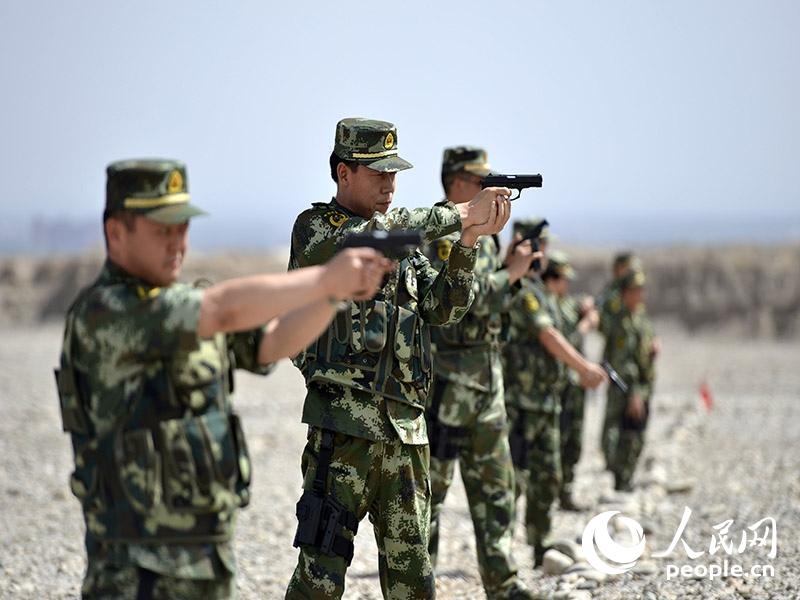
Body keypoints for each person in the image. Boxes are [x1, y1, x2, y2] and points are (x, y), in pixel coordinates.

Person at [55, 158, 393, 599]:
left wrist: (333, 295)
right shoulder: (106, 312)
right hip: (133, 572)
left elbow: (271, 343)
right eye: (162, 230)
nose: (177, 242)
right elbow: (222, 309)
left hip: (204, 560)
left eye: (182, 228)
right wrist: (326, 276)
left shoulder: (186, 307)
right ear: (116, 233)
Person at [286, 119, 511, 599]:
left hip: (405, 435)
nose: (389, 184)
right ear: (344, 173)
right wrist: (460, 212)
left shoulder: (404, 249)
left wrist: (468, 240)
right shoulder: (319, 231)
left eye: (394, 174)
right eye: (377, 173)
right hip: (342, 435)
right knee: (318, 579)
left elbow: (442, 308)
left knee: (413, 582)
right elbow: (373, 236)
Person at [423, 147, 538, 599]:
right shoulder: (441, 231)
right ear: (456, 184)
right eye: (480, 180)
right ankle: (420, 585)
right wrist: (508, 276)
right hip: (446, 386)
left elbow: (494, 314)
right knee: (428, 494)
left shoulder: (482, 235)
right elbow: (457, 304)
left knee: (497, 488)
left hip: (485, 384)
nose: (492, 189)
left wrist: (512, 271)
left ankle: (503, 583)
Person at [503, 219, 606, 566]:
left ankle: (539, 545)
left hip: (545, 402)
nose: (543, 253)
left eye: (544, 246)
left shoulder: (540, 292)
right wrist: (584, 369)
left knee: (548, 475)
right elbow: (548, 336)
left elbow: (561, 331)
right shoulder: (521, 290)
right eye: (539, 246)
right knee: (512, 481)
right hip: (519, 403)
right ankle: (499, 551)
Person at [541, 252, 599, 511]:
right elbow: (563, 342)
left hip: (572, 385)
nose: (568, 285)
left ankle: (566, 491)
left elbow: (577, 307)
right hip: (557, 386)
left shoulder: (563, 303)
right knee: (558, 440)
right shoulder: (546, 304)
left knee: (573, 440)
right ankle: (551, 494)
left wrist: (585, 307)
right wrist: (585, 326)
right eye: (564, 279)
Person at [600, 269, 657, 491]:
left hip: (643, 387)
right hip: (625, 389)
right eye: (635, 290)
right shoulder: (621, 323)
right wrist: (634, 392)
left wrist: (654, 346)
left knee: (636, 434)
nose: (640, 294)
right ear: (625, 293)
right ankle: (621, 480)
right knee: (623, 435)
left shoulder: (641, 318)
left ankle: (626, 479)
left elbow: (646, 344)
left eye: (642, 289)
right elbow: (624, 363)